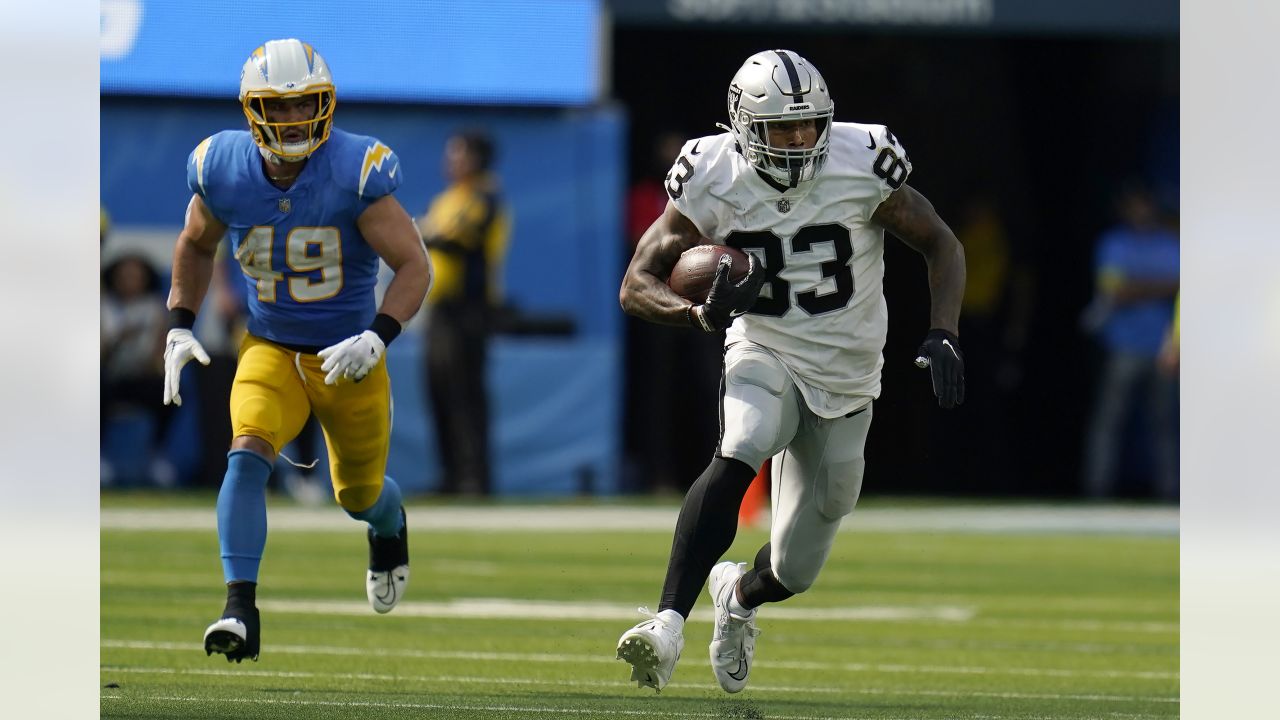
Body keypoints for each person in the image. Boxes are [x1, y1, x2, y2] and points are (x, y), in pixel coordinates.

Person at [614, 49, 966, 693]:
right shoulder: (711, 173)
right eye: (782, 126)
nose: (799, 139)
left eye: (809, 124)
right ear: (743, 126)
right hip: (766, 346)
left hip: (850, 371)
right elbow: (636, 284)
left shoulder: (863, 162)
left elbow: (941, 240)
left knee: (798, 566)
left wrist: (944, 330)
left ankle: (740, 596)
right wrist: (696, 313)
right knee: (742, 441)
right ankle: (666, 622)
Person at [161, 39, 431, 663]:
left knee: (357, 496)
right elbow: (195, 245)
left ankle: (389, 529)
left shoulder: (355, 169)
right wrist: (178, 322)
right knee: (246, 454)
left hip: (347, 356)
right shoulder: (221, 167)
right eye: (276, 108)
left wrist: (378, 334)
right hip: (270, 346)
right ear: (252, 111)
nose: (290, 120)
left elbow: (414, 265)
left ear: (325, 104)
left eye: (303, 105)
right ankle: (239, 609)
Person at [418, 131, 509, 496]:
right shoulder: (447, 199)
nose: (451, 159)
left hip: (468, 311)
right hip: (440, 310)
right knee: (439, 394)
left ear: (477, 159)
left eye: (458, 153)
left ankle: (474, 478)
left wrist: (415, 233)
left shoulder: (485, 197)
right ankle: (450, 475)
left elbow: (456, 240)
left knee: (465, 395)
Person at [1079, 181, 1179, 500]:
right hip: (1122, 346)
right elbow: (1115, 292)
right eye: (1133, 204)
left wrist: (1138, 287)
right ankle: (1097, 490)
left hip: (1162, 346)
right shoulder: (1114, 243)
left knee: (1164, 423)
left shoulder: (1170, 244)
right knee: (1109, 420)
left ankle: (1169, 492)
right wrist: (1164, 286)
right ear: (1124, 209)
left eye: (1144, 203)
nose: (1140, 210)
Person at [101, 253, 173, 485]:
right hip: (109, 376)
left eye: (135, 276)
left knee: (169, 390)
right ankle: (97, 454)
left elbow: (158, 354)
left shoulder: (154, 309)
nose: (130, 280)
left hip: (141, 377)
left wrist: (154, 366)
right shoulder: (104, 307)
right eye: (125, 276)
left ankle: (155, 453)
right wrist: (118, 339)